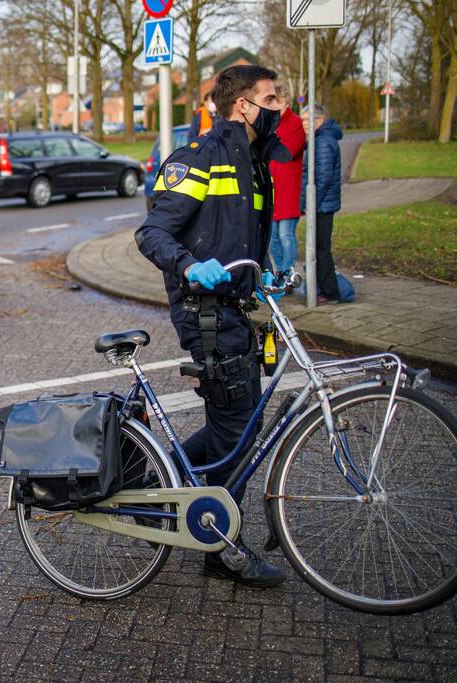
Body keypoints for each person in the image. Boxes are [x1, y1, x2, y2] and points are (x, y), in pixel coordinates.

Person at [136, 65, 290, 588]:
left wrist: (262, 271)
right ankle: (221, 546)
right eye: (271, 98)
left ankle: (160, 487)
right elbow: (152, 232)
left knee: (239, 426)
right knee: (236, 429)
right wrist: (188, 266)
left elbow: (241, 234)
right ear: (243, 105)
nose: (280, 108)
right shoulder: (198, 159)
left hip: (235, 308)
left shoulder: (254, 163)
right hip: (203, 312)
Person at [300, 103, 343, 304]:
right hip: (322, 204)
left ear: (320, 120)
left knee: (321, 250)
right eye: (303, 120)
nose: (304, 124)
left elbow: (323, 177)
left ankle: (330, 292)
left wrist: (311, 203)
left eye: (307, 120)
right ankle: (325, 289)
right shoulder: (320, 138)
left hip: (322, 205)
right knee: (319, 248)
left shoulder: (323, 141)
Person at [268, 85, 305, 274]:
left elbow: (288, 152)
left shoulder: (295, 123)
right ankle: (281, 271)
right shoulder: (269, 124)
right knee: (272, 238)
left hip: (289, 189)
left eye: (277, 102)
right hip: (272, 188)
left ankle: (286, 273)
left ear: (285, 103)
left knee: (285, 235)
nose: (274, 106)